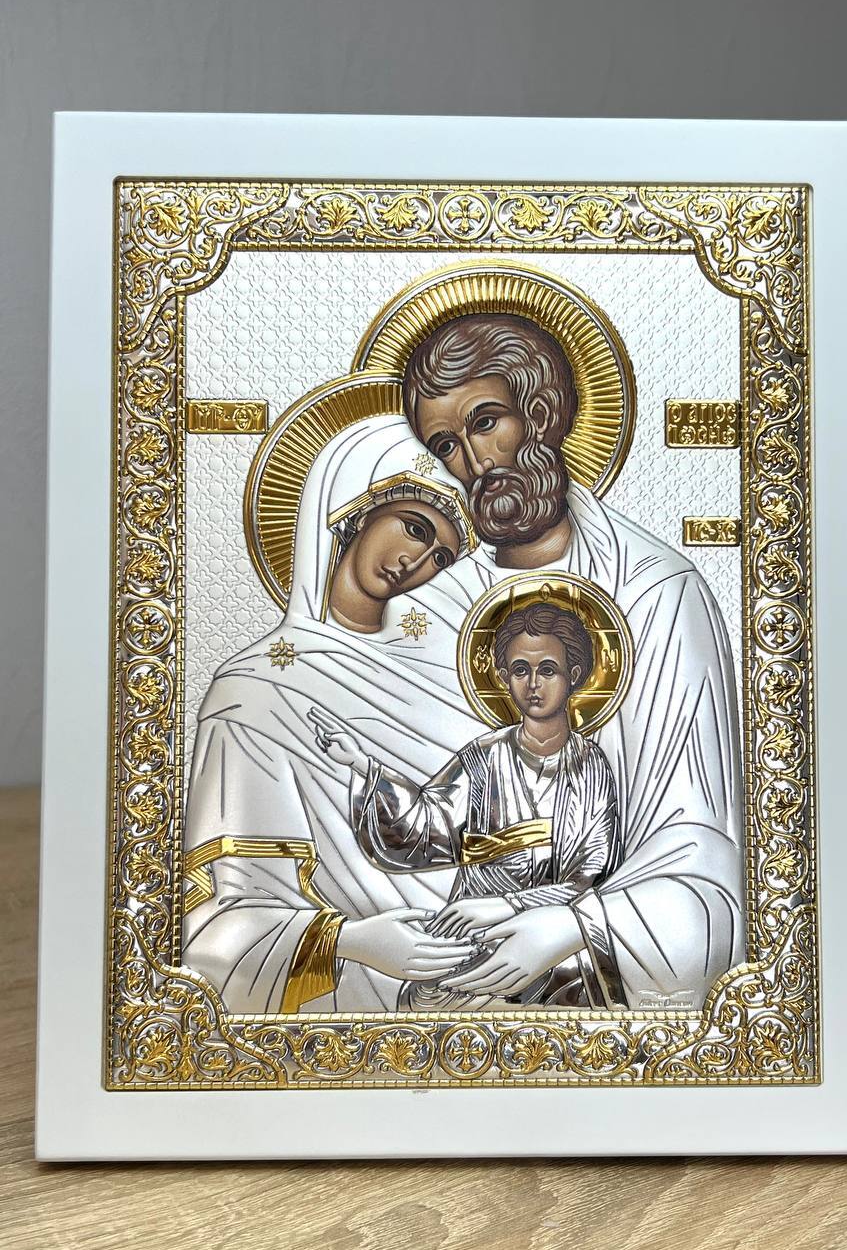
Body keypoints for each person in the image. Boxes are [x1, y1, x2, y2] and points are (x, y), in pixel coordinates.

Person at [398, 313, 746, 1009]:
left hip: (598, 943)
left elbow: (696, 856)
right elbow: (414, 839)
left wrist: (572, 925)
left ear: (542, 412)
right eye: (447, 446)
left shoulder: (656, 594)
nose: (475, 461)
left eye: (486, 422)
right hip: (467, 938)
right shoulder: (433, 610)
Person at [181, 415, 485, 1015]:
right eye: (414, 527)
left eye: (441, 557)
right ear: (356, 508)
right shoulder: (252, 691)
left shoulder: (444, 680)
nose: (416, 561)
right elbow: (223, 921)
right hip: (346, 990)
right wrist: (352, 941)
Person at [312, 601, 623, 1008]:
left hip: (554, 942)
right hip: (473, 936)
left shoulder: (591, 768)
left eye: (548, 670)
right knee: (423, 1000)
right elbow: (425, 827)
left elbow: (592, 880)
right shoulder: (481, 758)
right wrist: (364, 766)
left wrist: (509, 905)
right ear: (504, 678)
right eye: (520, 670)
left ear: (574, 675)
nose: (533, 684)